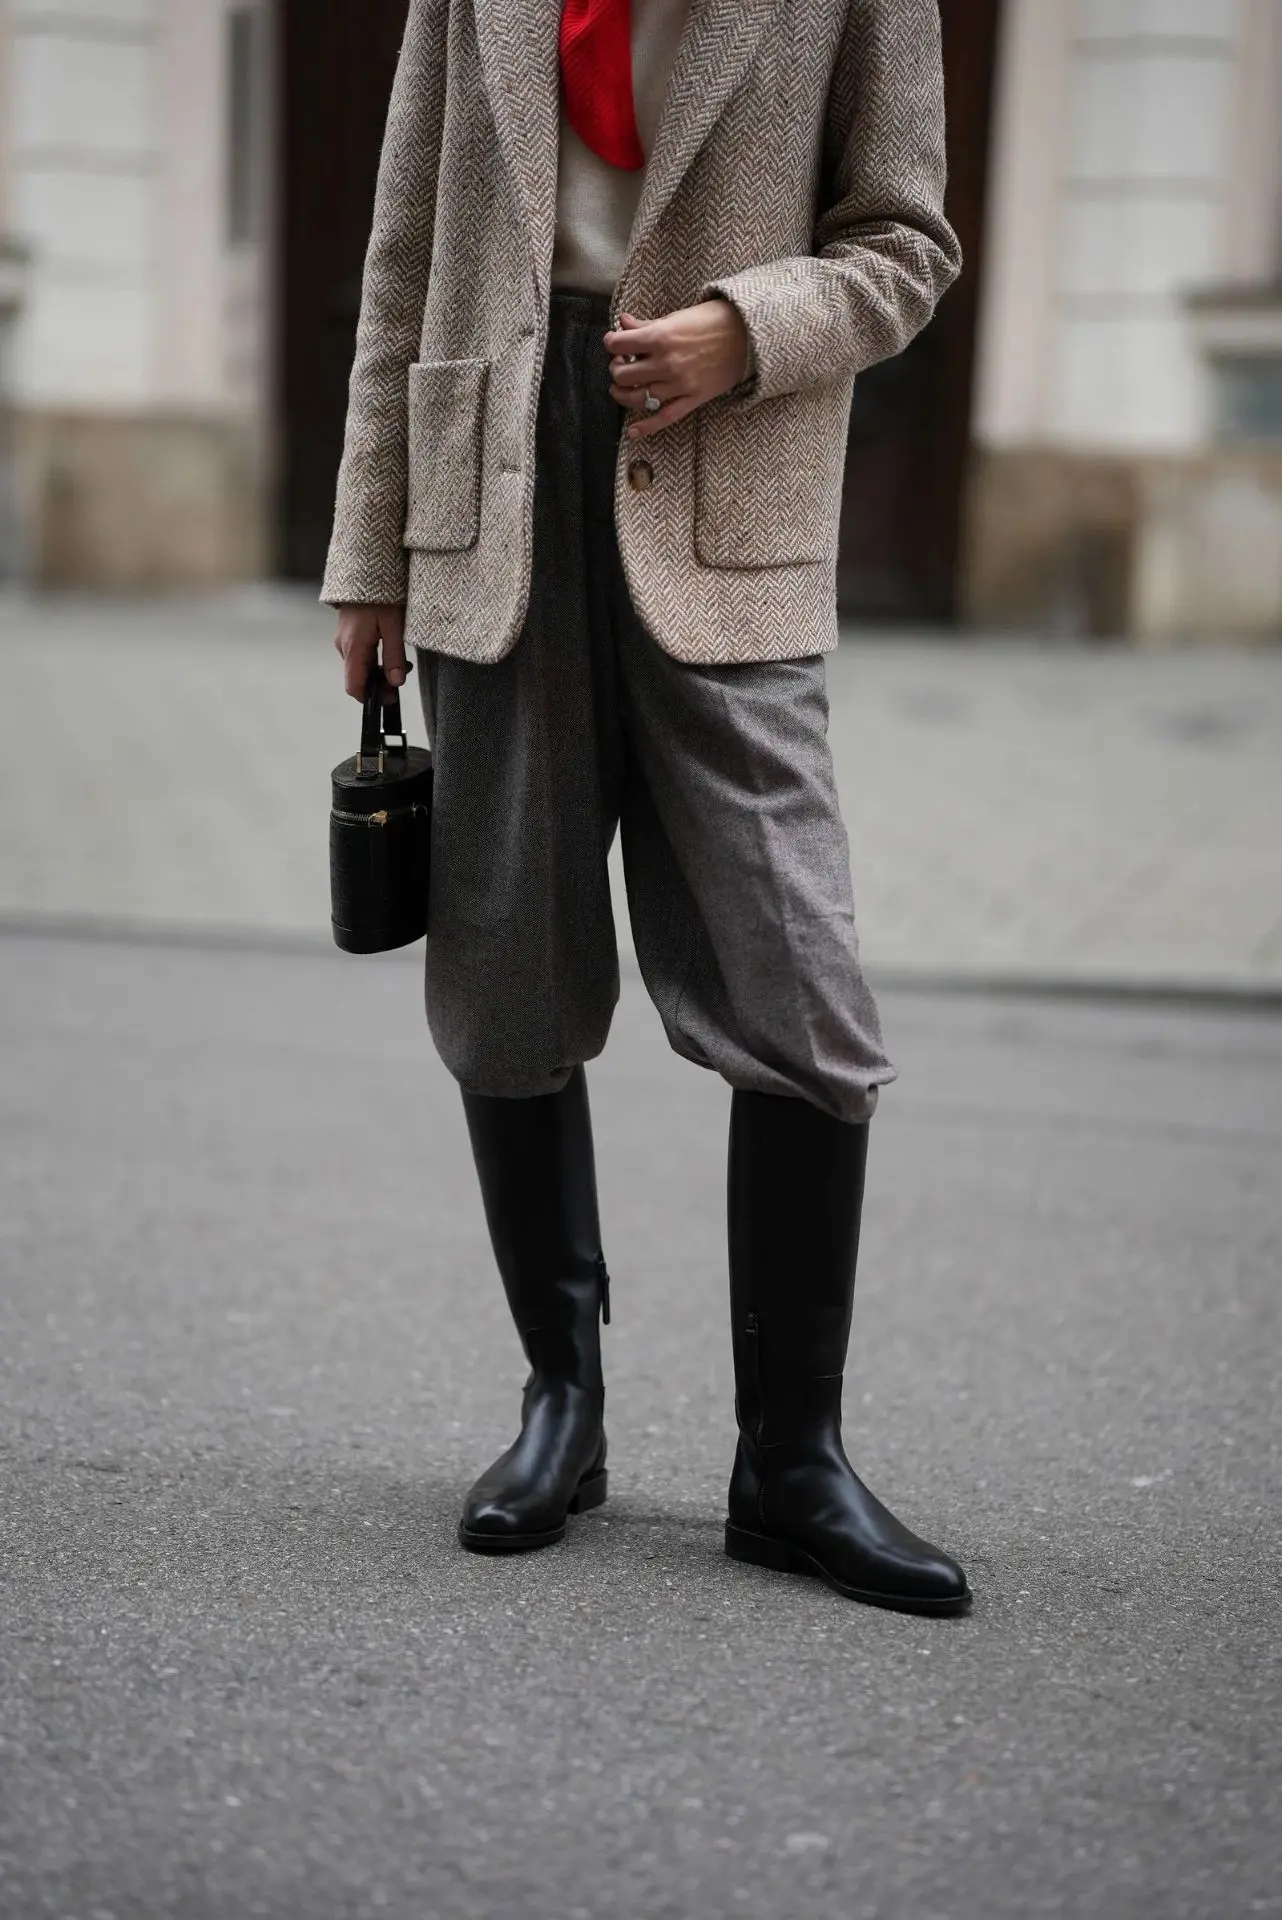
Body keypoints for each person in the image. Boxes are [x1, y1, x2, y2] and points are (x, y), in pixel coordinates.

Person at [326, 0, 970, 1614]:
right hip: (490, 494)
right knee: (507, 968)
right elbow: (403, 250)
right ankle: (562, 1405)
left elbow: (904, 242)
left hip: (728, 478)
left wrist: (748, 328)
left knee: (797, 980)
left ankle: (792, 1464)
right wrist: (367, 551)